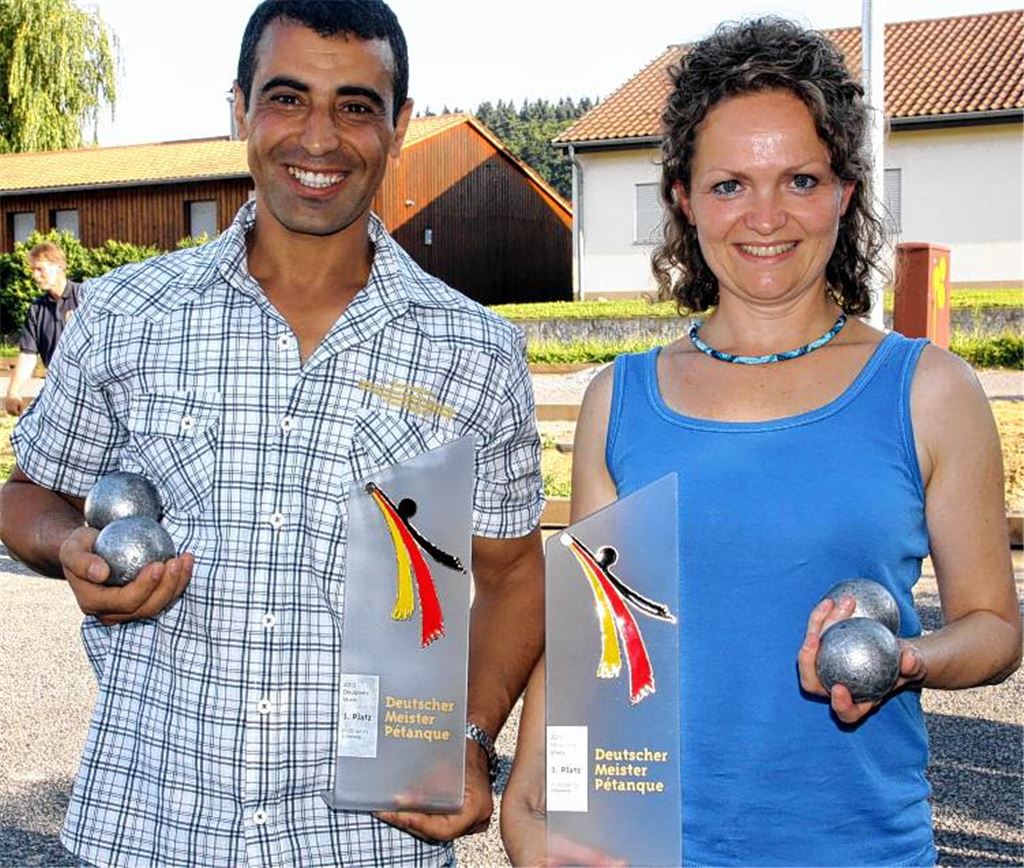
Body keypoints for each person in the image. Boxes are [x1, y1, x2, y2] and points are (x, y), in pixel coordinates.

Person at [0, 2, 544, 866]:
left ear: (400, 125)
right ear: (239, 111)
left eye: (356, 106)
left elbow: (517, 577)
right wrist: (72, 544)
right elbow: (27, 493)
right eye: (287, 98)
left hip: (365, 839)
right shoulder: (128, 315)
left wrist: (471, 740)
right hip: (152, 824)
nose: (319, 138)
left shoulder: (472, 350)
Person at [501, 17, 1021, 867]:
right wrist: (533, 803)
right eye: (730, 185)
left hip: (861, 851)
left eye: (801, 179)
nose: (766, 217)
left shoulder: (929, 391)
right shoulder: (619, 399)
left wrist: (906, 660)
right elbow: (585, 635)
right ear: (683, 198)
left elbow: (995, 626)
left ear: (846, 190)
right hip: (650, 851)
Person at [4, 241, 82, 416]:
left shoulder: (85, 297)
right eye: (33, 270)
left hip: (94, 392)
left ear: (59, 266)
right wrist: (13, 391)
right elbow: (28, 355)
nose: (35, 276)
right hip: (59, 394)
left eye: (40, 269)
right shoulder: (36, 309)